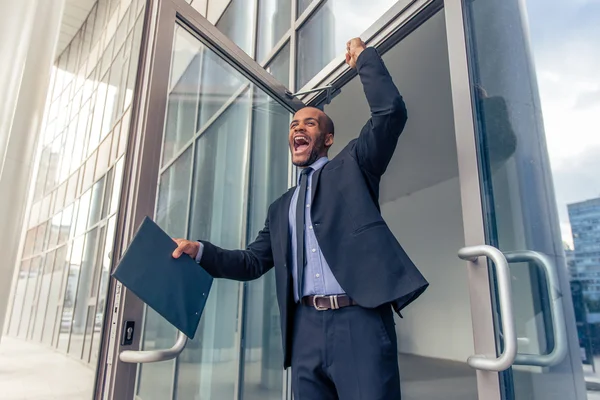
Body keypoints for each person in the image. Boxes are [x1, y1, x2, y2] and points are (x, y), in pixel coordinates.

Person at [172, 37, 428, 400]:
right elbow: (250, 262)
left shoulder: (354, 167)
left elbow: (390, 113)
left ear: (327, 138)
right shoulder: (281, 207)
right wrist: (199, 251)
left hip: (360, 321)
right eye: (294, 125)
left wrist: (364, 60)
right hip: (304, 327)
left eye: (309, 123)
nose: (298, 128)